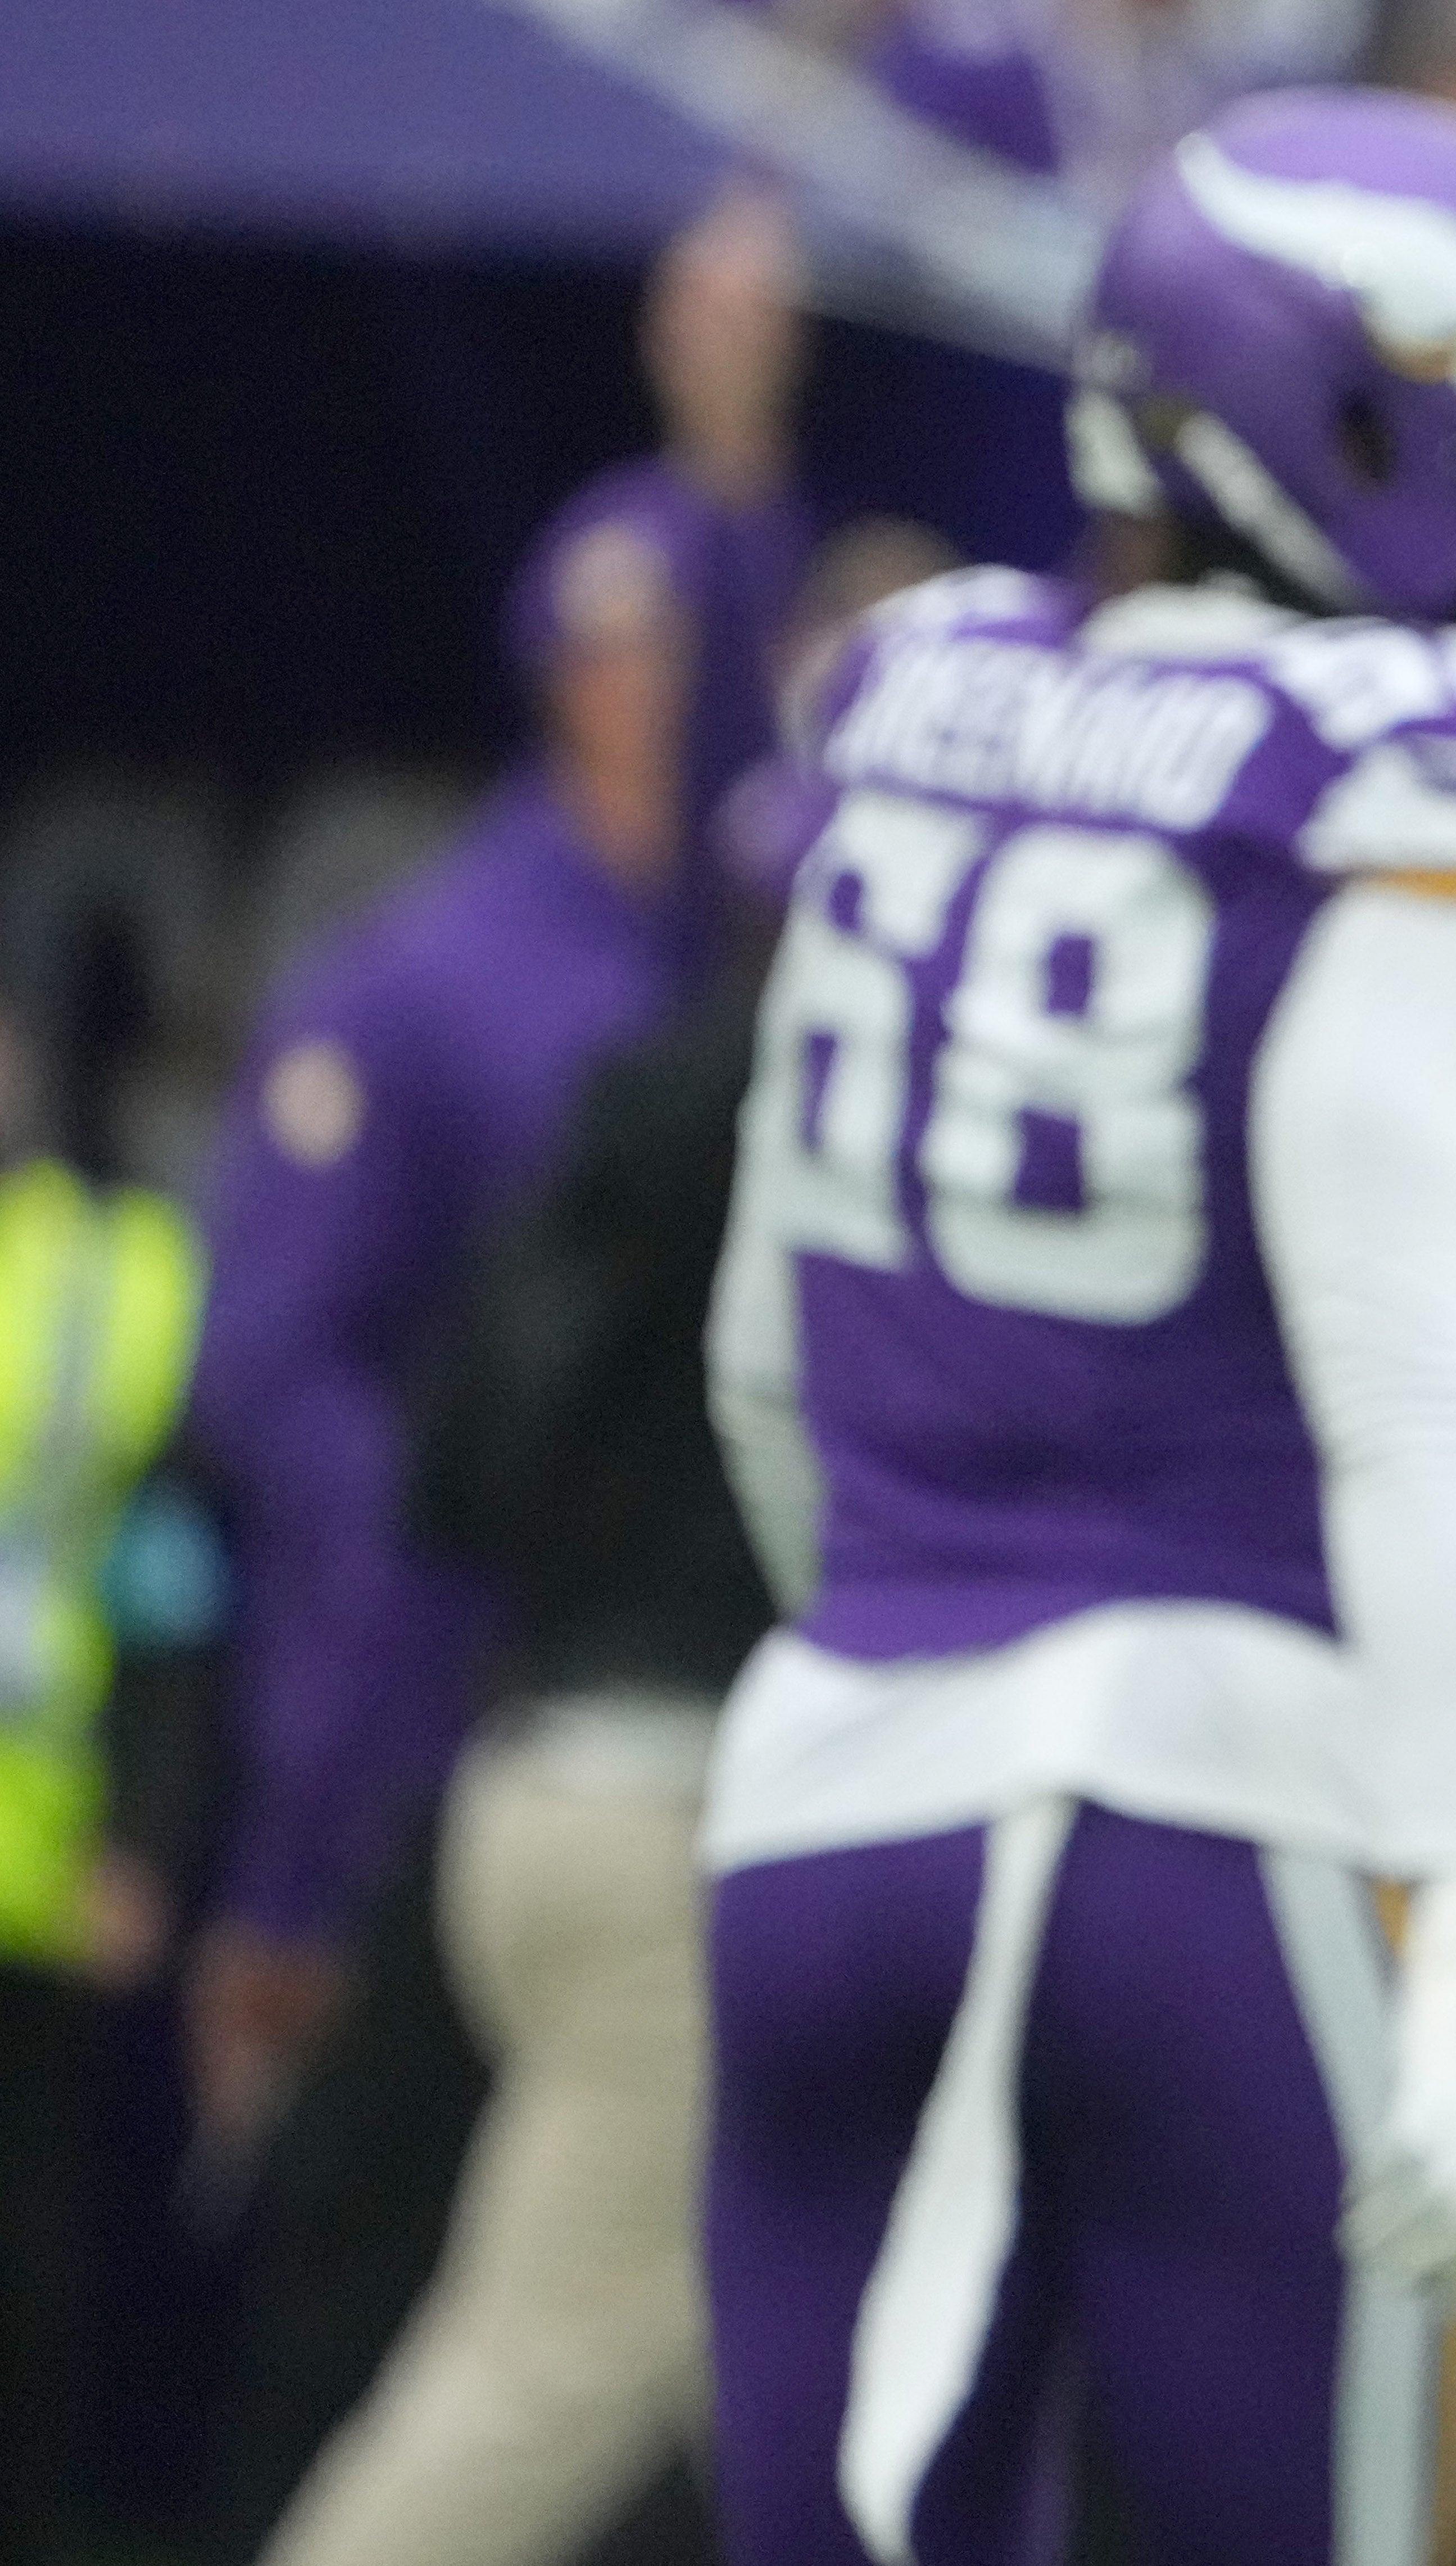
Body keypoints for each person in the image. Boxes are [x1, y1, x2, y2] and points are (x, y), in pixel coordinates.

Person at [699, 86, 1456, 2566]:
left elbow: (763, 1345)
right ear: (1341, 427)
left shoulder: (908, 692)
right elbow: (1406, 1373)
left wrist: (903, 1607)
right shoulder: (1407, 767)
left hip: (823, 1794)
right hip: (1228, 1828)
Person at [185, 191, 802, 2541]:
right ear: (579, 669)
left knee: (659, 2352)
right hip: (486, 1707)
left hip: (630, 1701)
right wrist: (352, 1727)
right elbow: (289, 1377)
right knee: (456, 2353)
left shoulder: (698, 951)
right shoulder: (439, 974)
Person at [254, 535, 943, 2566]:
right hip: (671, 1819)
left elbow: (457, 1472)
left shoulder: (646, 1079)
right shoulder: (819, 1101)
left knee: (811, 2395)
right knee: (534, 2389)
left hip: (550, 1774)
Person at [0, 1008, 216, 2566]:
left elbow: (173, 1594)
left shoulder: (111, 1275)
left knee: (36, 2276)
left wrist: (147, 1837)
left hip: (45, 1870)